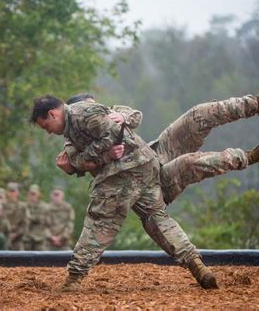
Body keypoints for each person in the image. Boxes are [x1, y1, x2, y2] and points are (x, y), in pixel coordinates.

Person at [31, 95, 216, 291]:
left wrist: (93, 157)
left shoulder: (82, 113)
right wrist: (79, 162)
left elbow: (112, 135)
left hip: (124, 171)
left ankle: (74, 280)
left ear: (53, 114)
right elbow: (75, 160)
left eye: (45, 126)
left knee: (99, 223)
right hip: (144, 167)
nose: (48, 132)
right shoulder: (70, 131)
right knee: (157, 220)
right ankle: (198, 267)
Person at [62, 74, 259, 205]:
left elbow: (136, 115)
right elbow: (78, 163)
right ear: (81, 114)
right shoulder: (73, 142)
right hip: (152, 182)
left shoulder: (108, 112)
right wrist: (77, 164)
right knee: (190, 162)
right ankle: (245, 158)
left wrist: (123, 116)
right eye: (91, 107)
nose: (98, 110)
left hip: (156, 151)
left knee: (198, 114)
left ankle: (258, 104)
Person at [4, 182, 29, 250]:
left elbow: (25, 224)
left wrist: (17, 234)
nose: (12, 193)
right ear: (7, 192)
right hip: (4, 239)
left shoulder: (23, 206)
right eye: (10, 191)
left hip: (18, 239)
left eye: (14, 191)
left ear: (17, 192)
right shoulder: (2, 205)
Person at [24, 184, 50, 251]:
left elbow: (42, 219)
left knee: (41, 259)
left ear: (38, 194)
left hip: (39, 239)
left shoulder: (44, 206)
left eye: (34, 194)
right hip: (26, 239)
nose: (32, 196)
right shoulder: (24, 206)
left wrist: (30, 217)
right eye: (31, 194)